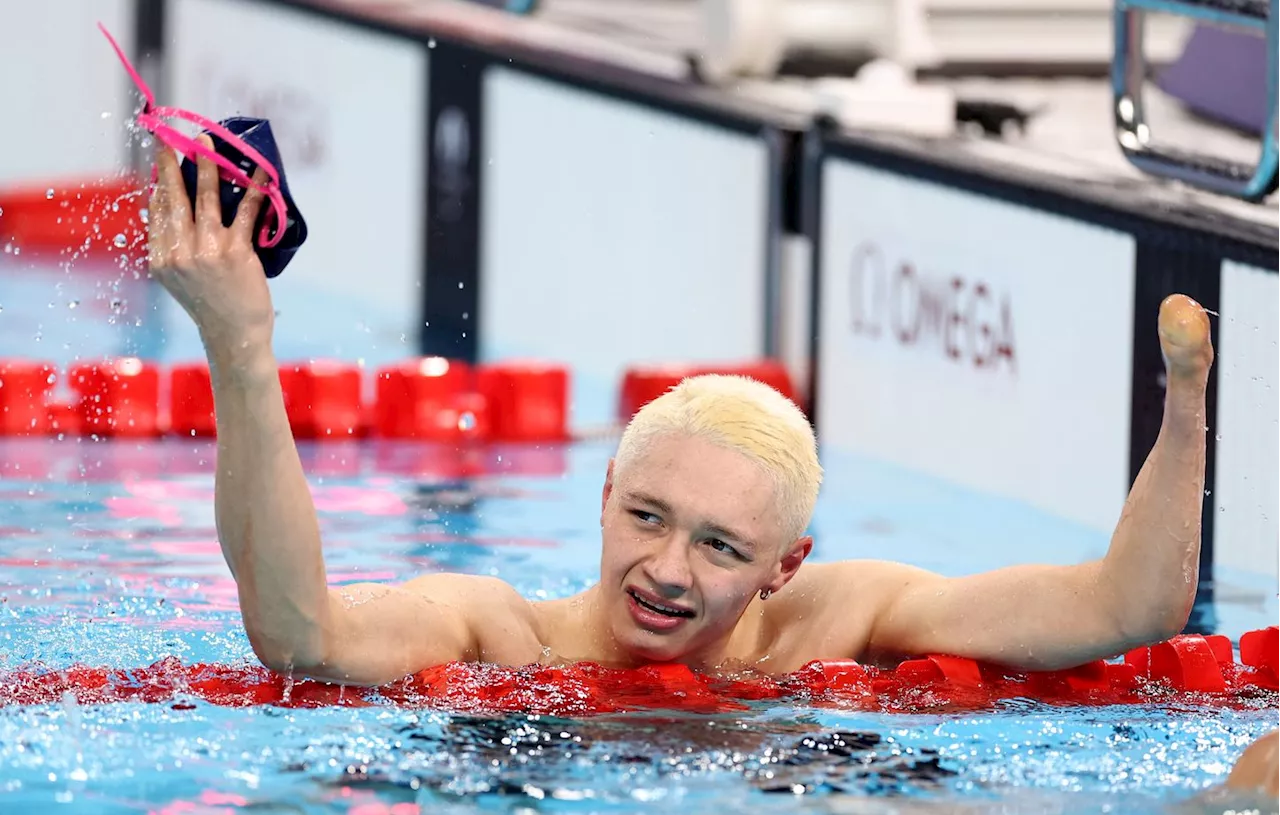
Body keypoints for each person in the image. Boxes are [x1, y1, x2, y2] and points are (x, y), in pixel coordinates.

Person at [147, 137, 1214, 689]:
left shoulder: (838, 623)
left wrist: (1182, 399)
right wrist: (241, 349)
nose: (666, 568)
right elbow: (296, 635)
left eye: (718, 544)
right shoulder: (492, 634)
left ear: (783, 566)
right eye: (648, 516)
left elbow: (1123, 610)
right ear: (605, 493)